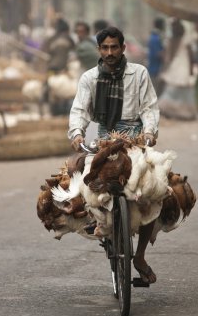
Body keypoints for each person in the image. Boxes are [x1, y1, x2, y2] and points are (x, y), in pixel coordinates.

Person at [68, 26, 159, 283]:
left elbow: (149, 106)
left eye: (114, 47)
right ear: (99, 50)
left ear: (123, 48)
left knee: (153, 188)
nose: (110, 52)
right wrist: (77, 133)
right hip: (105, 136)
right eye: (105, 48)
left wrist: (150, 132)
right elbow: (80, 110)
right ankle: (94, 219)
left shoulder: (139, 73)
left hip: (135, 135)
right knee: (84, 177)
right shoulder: (89, 78)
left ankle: (139, 255)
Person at [158, 18, 198, 120]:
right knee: (176, 90)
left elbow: (190, 55)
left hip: (181, 67)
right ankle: (180, 113)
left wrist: (191, 70)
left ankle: (182, 113)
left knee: (179, 91)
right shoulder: (172, 40)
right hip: (177, 67)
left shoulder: (182, 39)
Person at [42, 17, 75, 115]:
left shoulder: (51, 39)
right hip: (64, 70)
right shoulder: (69, 39)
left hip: (51, 69)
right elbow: (73, 54)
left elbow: (46, 53)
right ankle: (64, 111)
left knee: (51, 89)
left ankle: (52, 108)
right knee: (66, 92)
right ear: (66, 30)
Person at [147, 17, 166, 97]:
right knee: (156, 92)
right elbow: (158, 54)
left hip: (153, 68)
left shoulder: (153, 37)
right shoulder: (156, 38)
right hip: (156, 69)